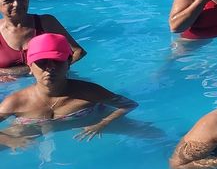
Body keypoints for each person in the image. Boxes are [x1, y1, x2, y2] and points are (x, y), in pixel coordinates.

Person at [0, 34, 137, 143]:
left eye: (57, 61)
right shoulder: (14, 102)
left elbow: (129, 105)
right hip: (32, 131)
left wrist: (102, 123)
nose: (50, 68)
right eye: (42, 62)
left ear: (69, 63)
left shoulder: (88, 92)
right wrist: (8, 141)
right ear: (30, 66)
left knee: (147, 133)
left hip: (90, 123)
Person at [0, 0, 85, 79]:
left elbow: (78, 52)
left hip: (51, 82)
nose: (16, 4)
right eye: (8, 0)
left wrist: (58, 69)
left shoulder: (45, 23)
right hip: (8, 86)